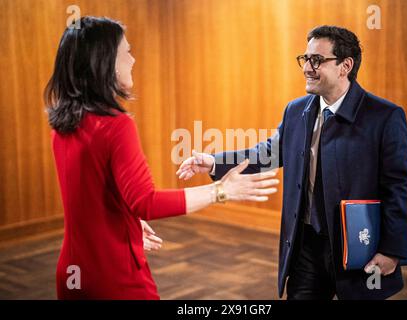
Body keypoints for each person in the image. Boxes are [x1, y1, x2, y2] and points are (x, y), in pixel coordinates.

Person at [44, 16, 279, 300]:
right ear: (105, 62)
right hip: (114, 276)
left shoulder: (64, 124)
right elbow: (146, 202)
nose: (132, 60)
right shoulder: (116, 125)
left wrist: (126, 223)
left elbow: (91, 201)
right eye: (126, 53)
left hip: (73, 272)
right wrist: (221, 190)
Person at [177, 25, 407, 300]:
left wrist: (391, 250)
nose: (307, 68)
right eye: (305, 59)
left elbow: (399, 189)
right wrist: (214, 162)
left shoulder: (384, 116)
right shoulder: (296, 110)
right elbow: (268, 152)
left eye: (317, 60)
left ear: (345, 66)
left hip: (361, 246)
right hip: (305, 245)